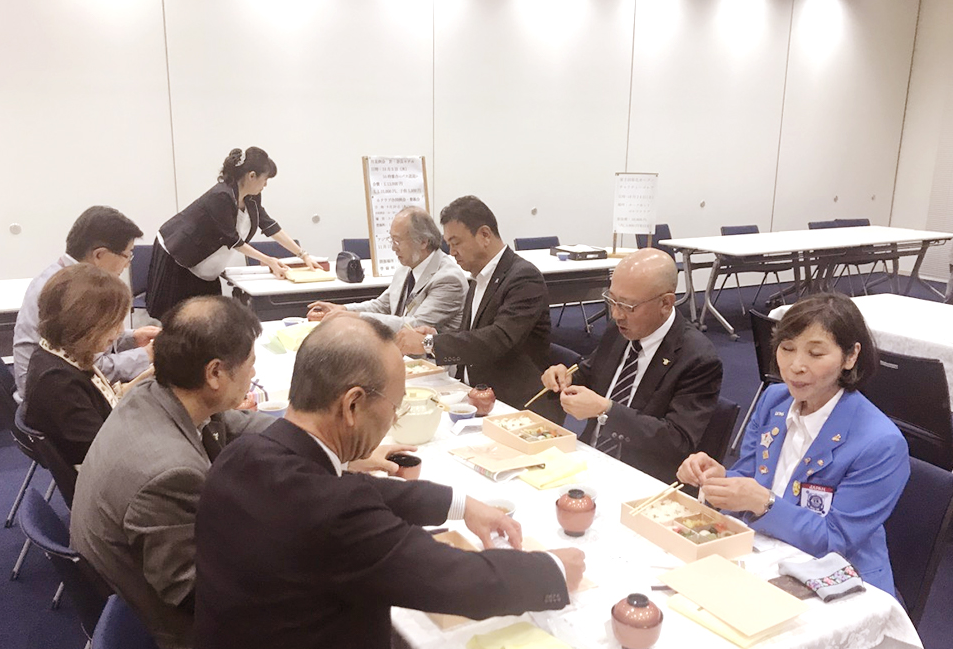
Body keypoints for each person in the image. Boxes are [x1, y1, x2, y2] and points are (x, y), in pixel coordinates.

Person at [188, 317, 585, 649]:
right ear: (353, 405)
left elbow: (354, 488)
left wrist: (460, 504)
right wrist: (552, 570)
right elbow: (455, 580)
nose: (392, 422)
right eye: (394, 408)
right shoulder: (333, 512)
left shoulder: (243, 454)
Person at [69, 296, 411, 649]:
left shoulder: (156, 395)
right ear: (215, 373)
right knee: (362, 621)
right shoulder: (167, 474)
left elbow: (233, 425)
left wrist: (333, 447)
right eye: (250, 363)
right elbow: (203, 595)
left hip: (142, 604)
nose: (254, 372)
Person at [677, 293, 909, 595]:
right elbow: (749, 476)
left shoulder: (880, 443)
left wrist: (763, 503)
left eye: (816, 354)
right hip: (767, 553)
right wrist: (717, 478)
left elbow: (834, 539)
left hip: (840, 581)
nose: (796, 366)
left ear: (850, 356)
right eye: (787, 349)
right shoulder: (774, 401)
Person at [541, 248, 723, 483]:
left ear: (666, 303)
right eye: (612, 300)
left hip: (640, 476)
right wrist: (565, 378)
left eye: (628, 306)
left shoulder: (697, 358)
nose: (616, 314)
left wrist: (606, 411)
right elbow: (590, 373)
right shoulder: (619, 330)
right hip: (589, 457)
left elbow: (677, 440)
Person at [394, 195, 555, 415]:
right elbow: (472, 335)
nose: (452, 252)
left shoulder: (524, 278)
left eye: (456, 243)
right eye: (449, 245)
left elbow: (496, 339)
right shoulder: (478, 277)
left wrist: (429, 343)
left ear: (485, 235)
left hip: (513, 404)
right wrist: (436, 335)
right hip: (473, 394)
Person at [146, 146, 319, 319]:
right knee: (179, 318)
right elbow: (232, 239)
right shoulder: (221, 196)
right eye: (265, 179)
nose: (266, 185)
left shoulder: (252, 197)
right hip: (178, 255)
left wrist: (303, 255)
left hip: (204, 262)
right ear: (252, 176)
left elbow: (270, 225)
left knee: (208, 318)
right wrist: (268, 260)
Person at [13, 205, 157, 399]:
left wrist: (132, 339)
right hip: (54, 397)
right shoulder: (72, 293)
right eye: (127, 255)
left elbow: (88, 347)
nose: (127, 264)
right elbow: (91, 368)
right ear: (99, 255)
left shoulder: (63, 277)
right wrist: (147, 355)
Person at [23, 265, 132, 466]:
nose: (120, 331)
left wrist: (145, 380)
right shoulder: (59, 383)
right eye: (114, 323)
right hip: (103, 472)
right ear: (84, 323)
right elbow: (107, 453)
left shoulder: (61, 354)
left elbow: (101, 399)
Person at [307, 206, 467, 332]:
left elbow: (416, 325)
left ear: (423, 242)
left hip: (430, 361)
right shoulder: (406, 267)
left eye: (397, 241)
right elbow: (383, 305)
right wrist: (343, 309)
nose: (393, 248)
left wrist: (353, 317)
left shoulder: (448, 279)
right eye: (391, 240)